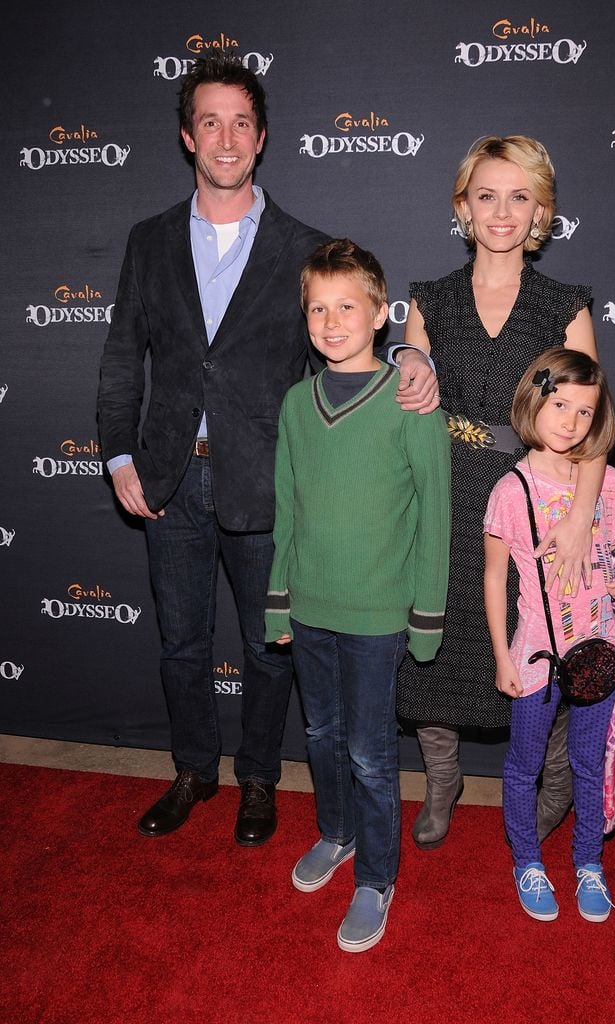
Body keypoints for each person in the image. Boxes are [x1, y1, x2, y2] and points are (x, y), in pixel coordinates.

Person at [96, 51, 436, 845]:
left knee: (267, 643)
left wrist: (410, 356)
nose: (225, 137)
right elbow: (121, 358)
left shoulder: (305, 246)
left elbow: (348, 330)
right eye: (209, 121)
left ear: (261, 137)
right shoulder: (147, 242)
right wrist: (118, 457)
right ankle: (191, 771)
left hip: (268, 481)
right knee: (180, 641)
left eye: (241, 122)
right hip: (167, 478)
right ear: (188, 136)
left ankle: (257, 778)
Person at [394, 135, 605, 850]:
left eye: (521, 196)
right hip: (446, 494)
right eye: (487, 195)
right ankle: (442, 776)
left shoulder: (563, 306)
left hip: (537, 499)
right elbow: (409, 412)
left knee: (540, 641)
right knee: (435, 644)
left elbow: (593, 425)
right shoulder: (431, 300)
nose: (503, 211)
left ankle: (554, 783)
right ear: (463, 206)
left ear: (542, 210)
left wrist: (579, 519)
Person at [265, 239, 450, 952]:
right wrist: (278, 600)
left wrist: (425, 619)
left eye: (347, 306)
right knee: (318, 735)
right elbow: (288, 509)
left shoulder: (411, 402)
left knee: (372, 754)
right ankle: (336, 833)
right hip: (310, 609)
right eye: (318, 308)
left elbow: (435, 516)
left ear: (381, 315)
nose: (332, 321)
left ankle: (376, 875)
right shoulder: (294, 404)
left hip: (379, 618)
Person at [483, 347, 615, 922]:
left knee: (588, 762)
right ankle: (527, 861)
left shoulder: (607, 485)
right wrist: (502, 653)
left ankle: (588, 864)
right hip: (534, 653)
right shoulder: (511, 491)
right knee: (525, 763)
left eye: (585, 412)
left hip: (598, 648)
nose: (571, 422)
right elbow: (492, 574)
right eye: (560, 405)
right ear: (534, 401)